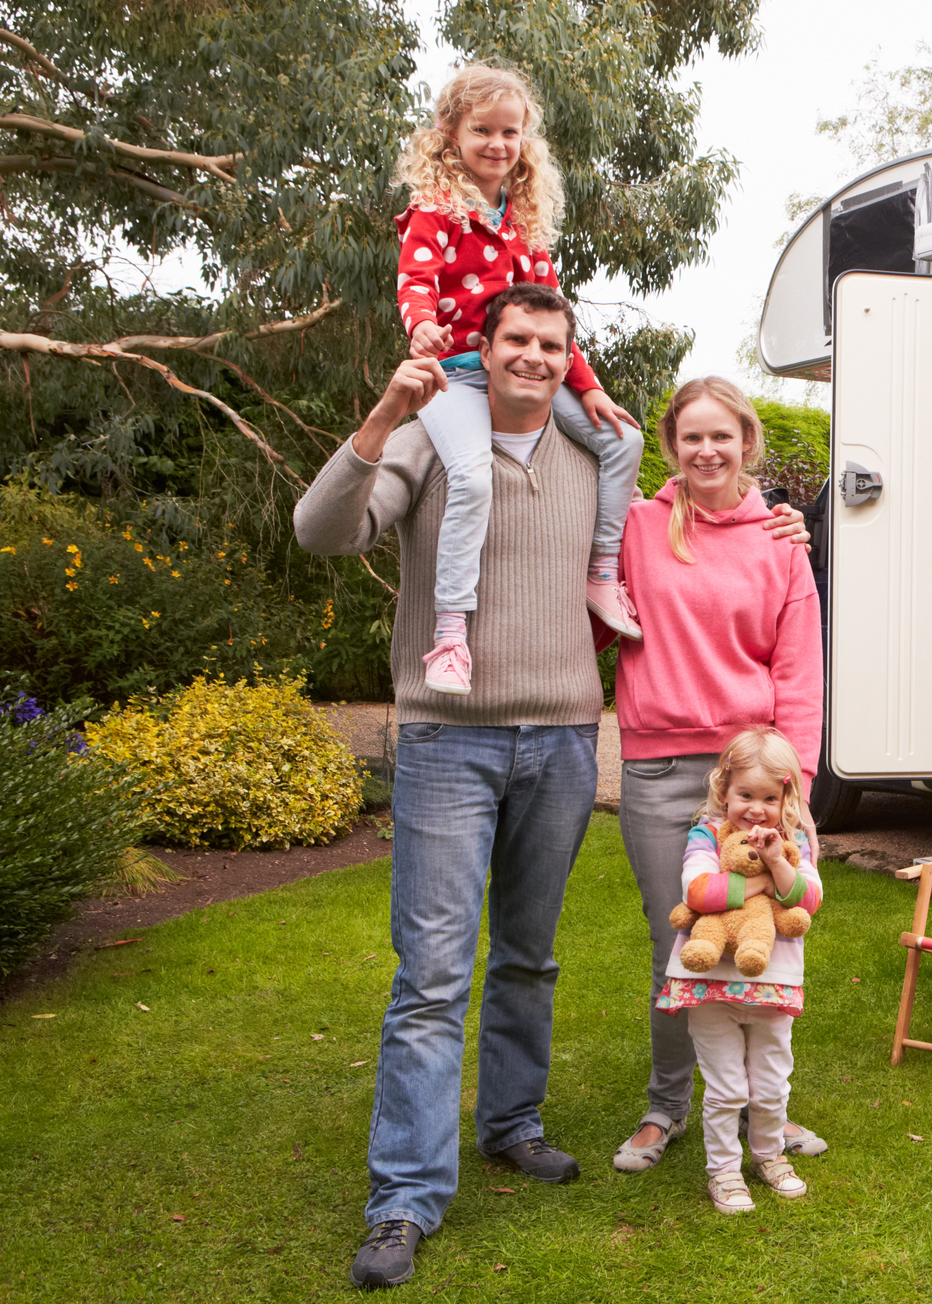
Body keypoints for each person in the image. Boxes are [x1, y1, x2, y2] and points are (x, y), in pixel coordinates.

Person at [292, 289, 808, 1290]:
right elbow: (323, 533)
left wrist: (777, 519)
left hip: (567, 740)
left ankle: (512, 1125)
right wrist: (381, 418)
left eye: (550, 344)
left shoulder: (593, 454)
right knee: (433, 973)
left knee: (528, 957)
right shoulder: (432, 438)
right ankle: (403, 1197)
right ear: (483, 351)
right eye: (514, 340)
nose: (531, 355)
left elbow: (696, 522)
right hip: (448, 738)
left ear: (568, 359)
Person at [610, 376, 829, 1176]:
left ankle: (761, 1108)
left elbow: (800, 670)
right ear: (670, 447)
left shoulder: (780, 540)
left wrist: (793, 786)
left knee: (768, 924)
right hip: (660, 765)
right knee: (682, 937)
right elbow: (598, 619)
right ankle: (668, 1107)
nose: (707, 450)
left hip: (757, 777)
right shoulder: (635, 526)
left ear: (748, 443)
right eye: (691, 437)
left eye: (722, 436)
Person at [392, 61, 646, 697]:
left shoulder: (523, 223)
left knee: (624, 440)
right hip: (459, 375)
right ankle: (450, 636)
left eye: (511, 132)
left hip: (530, 371)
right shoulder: (436, 212)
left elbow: (554, 316)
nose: (498, 145)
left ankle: (599, 572)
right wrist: (421, 326)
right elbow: (414, 284)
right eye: (482, 130)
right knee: (474, 478)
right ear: (451, 132)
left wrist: (586, 385)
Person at [658, 729, 822, 1213]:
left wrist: (775, 861)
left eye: (769, 797)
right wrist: (766, 885)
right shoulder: (707, 835)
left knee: (771, 1085)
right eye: (745, 795)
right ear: (724, 790)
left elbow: (808, 900)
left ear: (786, 796)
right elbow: (699, 894)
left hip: (773, 984)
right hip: (710, 986)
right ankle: (724, 1171)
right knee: (727, 1087)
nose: (756, 808)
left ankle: (768, 1156)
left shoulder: (792, 843)